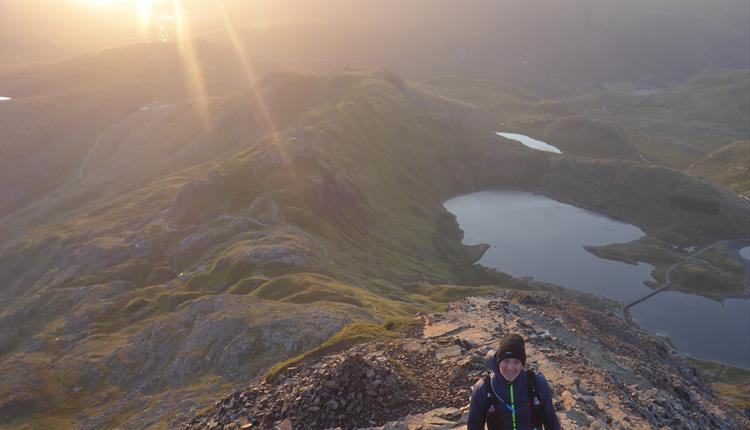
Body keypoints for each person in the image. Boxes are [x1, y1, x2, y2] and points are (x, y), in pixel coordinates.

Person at [467, 334, 561, 430]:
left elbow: (551, 420)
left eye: (516, 362)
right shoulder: (483, 387)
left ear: (522, 364)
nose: (510, 368)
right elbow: (474, 425)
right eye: (506, 361)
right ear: (499, 361)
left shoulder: (537, 382)